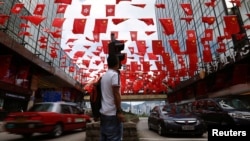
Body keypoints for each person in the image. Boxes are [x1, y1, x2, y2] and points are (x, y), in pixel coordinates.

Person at [99, 54, 125, 141]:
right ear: (117, 63)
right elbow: (116, 93)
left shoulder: (104, 76)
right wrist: (119, 111)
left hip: (104, 113)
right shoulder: (114, 75)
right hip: (112, 114)